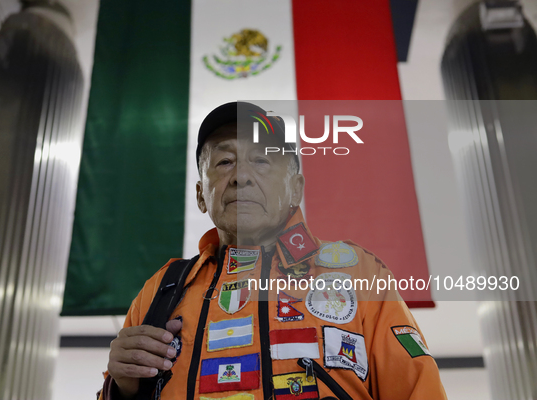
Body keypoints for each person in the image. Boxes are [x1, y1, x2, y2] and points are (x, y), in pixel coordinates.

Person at [97, 102, 447, 400]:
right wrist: (123, 388)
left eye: (262, 161)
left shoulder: (359, 274)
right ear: (202, 195)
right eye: (224, 162)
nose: (241, 177)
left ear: (295, 189)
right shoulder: (162, 289)